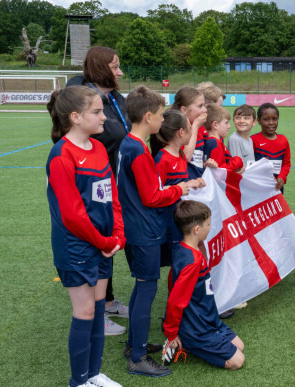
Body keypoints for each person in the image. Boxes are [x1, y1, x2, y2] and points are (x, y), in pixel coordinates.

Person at [46, 86, 125, 387]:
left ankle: (94, 375)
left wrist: (118, 234)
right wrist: (105, 242)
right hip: (77, 247)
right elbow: (73, 215)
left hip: (104, 245)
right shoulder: (61, 155)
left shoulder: (100, 149)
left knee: (96, 313)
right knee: (86, 310)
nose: (104, 117)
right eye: (97, 112)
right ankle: (79, 381)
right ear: (76, 117)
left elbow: (111, 195)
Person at [117, 86, 186, 377]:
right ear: (148, 117)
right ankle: (139, 358)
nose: (162, 121)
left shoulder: (128, 144)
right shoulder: (138, 151)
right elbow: (152, 197)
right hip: (144, 231)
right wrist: (179, 188)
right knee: (146, 289)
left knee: (141, 287)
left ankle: (135, 344)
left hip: (135, 228)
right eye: (159, 115)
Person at [67, 46, 131, 336]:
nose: (119, 72)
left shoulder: (115, 98)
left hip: (111, 183)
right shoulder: (80, 94)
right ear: (100, 68)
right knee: (95, 245)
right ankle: (94, 313)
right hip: (90, 184)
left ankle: (106, 301)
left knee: (109, 243)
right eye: (115, 67)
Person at [162, 200, 245, 370]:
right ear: (197, 229)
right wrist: (171, 333)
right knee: (237, 361)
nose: (211, 226)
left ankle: (190, 340)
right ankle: (186, 343)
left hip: (208, 318)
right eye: (208, 224)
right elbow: (175, 301)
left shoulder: (186, 249)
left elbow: (172, 281)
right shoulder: (191, 261)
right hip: (196, 326)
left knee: (240, 346)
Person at [151, 109, 206, 291]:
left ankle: (189, 293)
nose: (192, 133)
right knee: (178, 261)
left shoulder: (181, 154)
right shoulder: (162, 158)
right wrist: (180, 187)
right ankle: (176, 297)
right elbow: (157, 190)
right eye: (190, 129)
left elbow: (180, 184)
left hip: (184, 217)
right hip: (171, 220)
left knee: (188, 256)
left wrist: (193, 182)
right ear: (181, 133)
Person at [169, 87, 208, 179]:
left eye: (204, 105)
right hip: (183, 184)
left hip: (197, 182)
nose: (205, 110)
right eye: (200, 106)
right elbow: (186, 157)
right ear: (184, 110)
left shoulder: (200, 127)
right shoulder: (176, 129)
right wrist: (194, 128)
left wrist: (207, 162)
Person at [251, 103, 291, 192]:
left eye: (274, 119)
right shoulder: (253, 140)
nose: (271, 123)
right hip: (258, 186)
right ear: (259, 121)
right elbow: (250, 165)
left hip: (277, 186)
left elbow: (286, 163)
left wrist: (282, 177)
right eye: (266, 119)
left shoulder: (283, 140)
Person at [203, 104, 244, 173]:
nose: (229, 126)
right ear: (215, 125)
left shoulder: (209, 141)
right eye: (226, 123)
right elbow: (220, 172)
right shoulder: (215, 143)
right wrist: (237, 161)